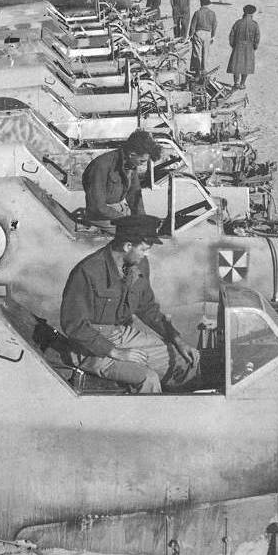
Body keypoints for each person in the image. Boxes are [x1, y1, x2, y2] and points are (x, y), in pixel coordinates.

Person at [60, 215, 201, 393]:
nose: (147, 255)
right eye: (144, 249)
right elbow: (74, 325)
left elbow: (148, 308)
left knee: (189, 359)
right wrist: (115, 352)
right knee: (148, 378)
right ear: (127, 246)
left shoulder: (139, 264)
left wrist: (177, 340)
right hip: (89, 348)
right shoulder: (88, 271)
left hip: (122, 335)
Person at [81, 130, 162, 227]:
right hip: (101, 217)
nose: (143, 164)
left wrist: (142, 219)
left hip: (119, 211)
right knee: (134, 233)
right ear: (132, 154)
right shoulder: (101, 165)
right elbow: (97, 206)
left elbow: (134, 195)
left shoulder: (131, 163)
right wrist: (125, 220)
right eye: (142, 161)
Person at [227, 4, 261, 89]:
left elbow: (232, 35)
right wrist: (255, 46)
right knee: (246, 65)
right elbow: (257, 37)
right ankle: (242, 83)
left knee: (237, 64)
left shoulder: (238, 23)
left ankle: (236, 83)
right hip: (249, 47)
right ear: (252, 13)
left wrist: (233, 45)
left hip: (238, 45)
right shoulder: (254, 24)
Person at [188, 0, 217, 76]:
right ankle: (204, 70)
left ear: (201, 3)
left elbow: (193, 25)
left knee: (196, 52)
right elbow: (214, 25)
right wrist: (213, 36)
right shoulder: (212, 13)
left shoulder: (197, 13)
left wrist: (190, 35)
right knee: (205, 53)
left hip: (198, 33)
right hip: (208, 34)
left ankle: (197, 70)